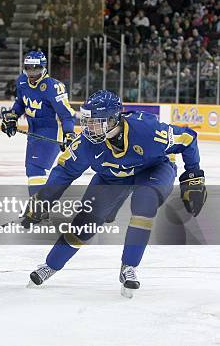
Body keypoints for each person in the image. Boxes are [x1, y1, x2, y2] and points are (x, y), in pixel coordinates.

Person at [22, 90, 206, 297]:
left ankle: (129, 267)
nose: (88, 127)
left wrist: (193, 175)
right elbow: (64, 172)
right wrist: (42, 201)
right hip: (111, 178)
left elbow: (188, 138)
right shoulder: (85, 144)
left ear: (112, 120)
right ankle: (51, 265)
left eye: (95, 122)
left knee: (143, 203)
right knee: (84, 223)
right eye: (87, 121)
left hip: (153, 171)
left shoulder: (147, 129)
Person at [1, 50, 77, 196]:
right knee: (32, 169)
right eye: (29, 68)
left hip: (51, 131)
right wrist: (12, 116)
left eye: (35, 68)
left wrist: (69, 134)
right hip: (34, 131)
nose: (32, 72)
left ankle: (38, 210)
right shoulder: (22, 81)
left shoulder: (53, 87)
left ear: (43, 67)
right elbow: (20, 103)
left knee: (36, 169)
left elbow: (67, 115)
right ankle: (39, 208)